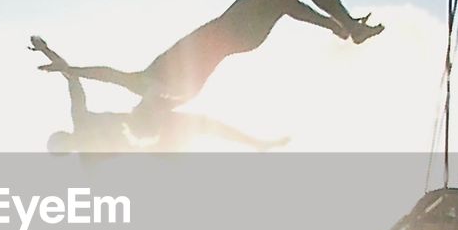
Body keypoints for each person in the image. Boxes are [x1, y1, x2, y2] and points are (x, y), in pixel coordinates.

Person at [33, 0, 382, 111]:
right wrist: (61, 64)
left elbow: (100, 73)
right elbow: (104, 74)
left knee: (287, 0)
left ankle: (342, 28)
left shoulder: (149, 88)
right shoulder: (144, 85)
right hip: (236, 27)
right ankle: (349, 27)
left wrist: (58, 61)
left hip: (244, 37)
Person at [32, 38, 288, 153]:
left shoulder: (81, 120)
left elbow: (72, 80)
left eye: (68, 141)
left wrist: (47, 51)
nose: (74, 143)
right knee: (199, 127)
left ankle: (257, 144)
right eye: (69, 147)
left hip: (146, 118)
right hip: (148, 136)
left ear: (68, 137)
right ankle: (258, 145)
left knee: (203, 124)